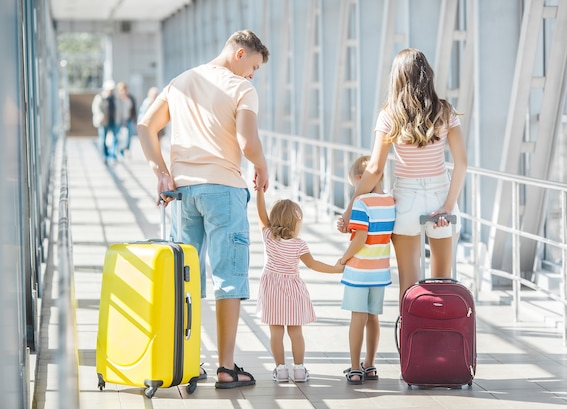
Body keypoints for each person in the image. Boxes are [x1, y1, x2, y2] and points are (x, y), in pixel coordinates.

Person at [136, 30, 270, 389]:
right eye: (253, 66)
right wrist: (262, 164)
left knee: (186, 278)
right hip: (223, 189)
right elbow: (247, 141)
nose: (252, 75)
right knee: (229, 277)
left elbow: (146, 125)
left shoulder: (182, 80)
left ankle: (187, 360)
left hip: (183, 192)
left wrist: (162, 174)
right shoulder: (242, 89)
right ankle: (227, 367)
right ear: (240, 53)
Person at [339, 48, 467, 304]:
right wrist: (447, 206)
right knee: (442, 283)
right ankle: (438, 341)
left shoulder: (389, 115)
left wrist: (351, 207)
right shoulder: (445, 112)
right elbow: (462, 163)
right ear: (427, 75)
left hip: (406, 203)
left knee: (408, 286)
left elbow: (374, 168)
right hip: (441, 197)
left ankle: (411, 342)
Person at [255, 189, 344, 383]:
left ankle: (281, 370)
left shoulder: (269, 237)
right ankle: (299, 370)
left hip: (272, 290)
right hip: (293, 290)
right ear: (295, 221)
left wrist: (260, 192)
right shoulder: (299, 245)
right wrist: (336, 269)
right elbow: (313, 265)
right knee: (296, 332)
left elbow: (261, 214)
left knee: (276, 333)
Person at [338, 155, 395, 385]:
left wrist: (344, 258)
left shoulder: (362, 202)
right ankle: (370, 365)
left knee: (357, 318)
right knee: (373, 318)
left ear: (361, 179)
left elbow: (360, 238)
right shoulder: (390, 201)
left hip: (359, 271)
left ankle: (354, 368)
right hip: (380, 271)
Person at [91, 79, 122, 162]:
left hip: (114, 121)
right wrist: (100, 115)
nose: (111, 92)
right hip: (104, 122)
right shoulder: (100, 98)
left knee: (115, 138)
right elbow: (96, 108)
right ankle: (105, 155)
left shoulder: (116, 98)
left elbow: (119, 109)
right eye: (110, 90)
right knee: (103, 139)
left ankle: (112, 155)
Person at [116, 81, 137, 157]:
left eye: (125, 89)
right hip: (120, 120)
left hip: (129, 119)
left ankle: (127, 149)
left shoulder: (131, 98)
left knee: (129, 136)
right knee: (120, 137)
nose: (124, 91)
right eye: (122, 90)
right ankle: (120, 152)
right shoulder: (117, 99)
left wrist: (135, 120)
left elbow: (134, 110)